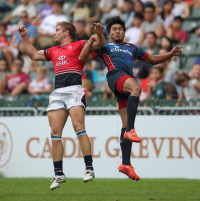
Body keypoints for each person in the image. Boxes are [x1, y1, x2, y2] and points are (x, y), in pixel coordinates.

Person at [79, 16, 182, 181]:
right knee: (137, 88)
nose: (118, 31)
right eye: (114, 29)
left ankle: (125, 164)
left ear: (124, 33)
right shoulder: (104, 45)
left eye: (120, 29)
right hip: (115, 76)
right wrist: (94, 38)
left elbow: (153, 59)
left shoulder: (132, 48)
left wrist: (171, 53)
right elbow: (83, 57)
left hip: (124, 82)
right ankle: (131, 131)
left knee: (125, 122)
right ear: (110, 33)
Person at [17, 20, 105, 189]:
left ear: (66, 33)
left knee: (79, 127)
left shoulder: (80, 44)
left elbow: (100, 44)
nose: (54, 32)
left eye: (57, 30)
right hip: (57, 92)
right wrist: (24, 37)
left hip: (74, 90)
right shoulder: (53, 50)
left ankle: (89, 168)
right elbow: (34, 55)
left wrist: (100, 34)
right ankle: (59, 174)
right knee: (54, 132)